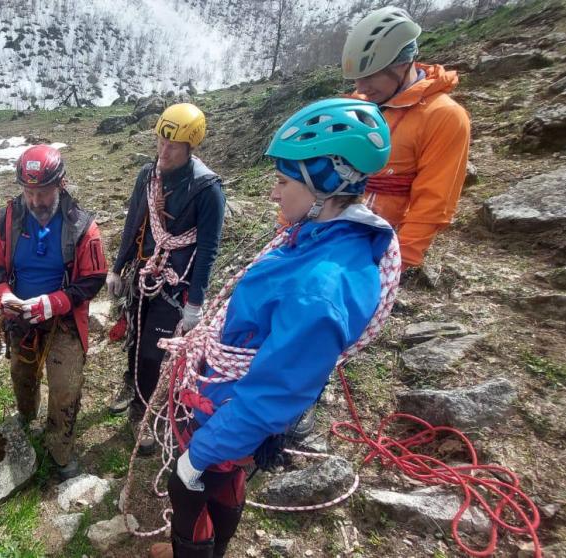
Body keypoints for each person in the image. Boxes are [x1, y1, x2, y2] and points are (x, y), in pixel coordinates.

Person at [149, 98, 397, 558]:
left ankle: (196, 551)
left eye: (283, 181)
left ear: (323, 184)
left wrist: (200, 452)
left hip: (231, 411)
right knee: (223, 483)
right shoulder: (319, 236)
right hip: (228, 402)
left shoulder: (320, 287)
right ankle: (211, 548)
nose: (274, 193)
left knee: (191, 485)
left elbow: (275, 394)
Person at [0, 144, 107, 480]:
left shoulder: (82, 226)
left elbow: (93, 278)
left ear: (60, 184)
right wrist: (4, 294)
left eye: (43, 192)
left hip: (63, 319)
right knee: (22, 376)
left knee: (65, 386)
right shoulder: (7, 219)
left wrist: (54, 302)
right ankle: (25, 418)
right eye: (29, 192)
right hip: (20, 316)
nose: (36, 201)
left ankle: (60, 451)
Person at [105, 103, 226, 454]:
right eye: (160, 141)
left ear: (191, 147)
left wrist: (196, 303)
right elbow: (134, 222)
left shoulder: (206, 189)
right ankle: (131, 384)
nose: (164, 151)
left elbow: (207, 249)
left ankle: (142, 412)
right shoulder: (149, 175)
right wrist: (118, 266)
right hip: (142, 275)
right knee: (133, 334)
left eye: (172, 146)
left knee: (153, 352)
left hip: (175, 285)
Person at [340, 5, 471, 271]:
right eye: (356, 79)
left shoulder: (444, 116)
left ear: (402, 64)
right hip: (335, 232)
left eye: (369, 76)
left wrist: (397, 264)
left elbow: (434, 201)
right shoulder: (357, 105)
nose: (361, 88)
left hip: (381, 245)